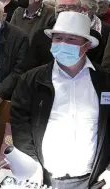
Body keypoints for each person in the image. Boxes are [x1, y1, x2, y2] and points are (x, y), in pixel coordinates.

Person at [10, 11, 110, 189]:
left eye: (71, 39)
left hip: (92, 178)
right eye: (58, 38)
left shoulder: (104, 81)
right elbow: (20, 124)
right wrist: (31, 163)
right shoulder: (31, 80)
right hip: (44, 177)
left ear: (86, 45)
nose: (63, 44)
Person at [24, 0, 104, 71]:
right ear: (55, 9)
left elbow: (96, 65)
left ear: (80, 10)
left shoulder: (93, 36)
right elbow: (31, 64)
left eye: (72, 7)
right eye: (61, 6)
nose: (66, 10)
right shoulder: (41, 35)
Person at [79, 0, 110, 64]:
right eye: (78, 8)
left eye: (83, 9)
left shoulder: (106, 29)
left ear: (93, 9)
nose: (80, 12)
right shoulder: (70, 25)